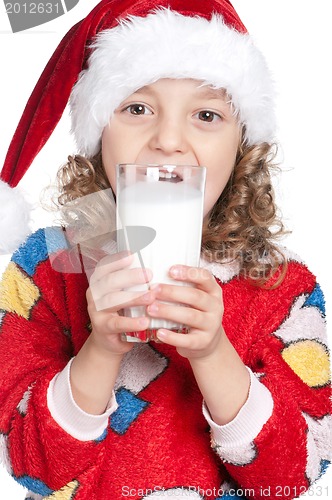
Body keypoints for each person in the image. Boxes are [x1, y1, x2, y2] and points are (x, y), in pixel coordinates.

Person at [0, 1, 331, 499]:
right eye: (137, 108)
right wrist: (101, 348)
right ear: (99, 135)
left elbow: (289, 477)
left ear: (242, 145)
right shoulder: (47, 267)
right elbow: (31, 463)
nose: (169, 140)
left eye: (206, 114)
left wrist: (215, 353)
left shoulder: (280, 288)